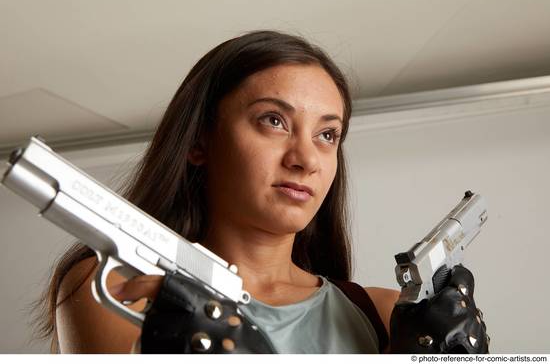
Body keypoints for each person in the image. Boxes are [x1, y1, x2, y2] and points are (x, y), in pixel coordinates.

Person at [31, 30, 487, 354]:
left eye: (327, 135)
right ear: (198, 141)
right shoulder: (115, 285)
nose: (305, 158)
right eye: (274, 120)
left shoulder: (387, 313)